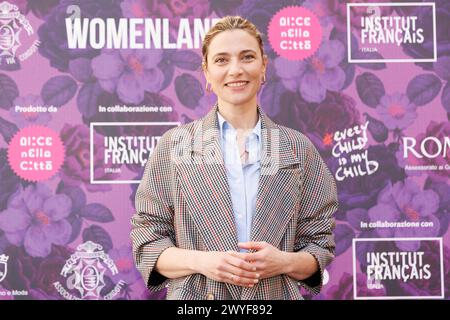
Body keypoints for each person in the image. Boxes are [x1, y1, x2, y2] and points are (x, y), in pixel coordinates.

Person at [131, 15, 338, 300]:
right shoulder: (175, 146)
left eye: (247, 57)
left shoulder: (297, 148)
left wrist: (283, 261)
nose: (235, 70)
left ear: (264, 66)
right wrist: (204, 262)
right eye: (221, 60)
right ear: (206, 72)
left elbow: (319, 245)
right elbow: (147, 241)